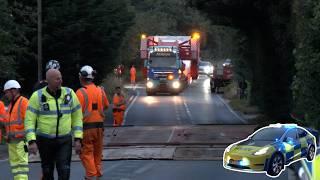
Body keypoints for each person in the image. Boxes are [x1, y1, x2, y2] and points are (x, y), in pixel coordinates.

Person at [25, 69, 83, 180]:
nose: (61, 80)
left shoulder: (69, 94)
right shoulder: (37, 96)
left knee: (64, 170)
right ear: (49, 81)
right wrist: (31, 141)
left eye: (61, 77)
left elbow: (77, 117)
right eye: (57, 79)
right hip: (45, 140)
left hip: (64, 140)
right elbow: (29, 120)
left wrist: (78, 138)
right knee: (47, 171)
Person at [76, 65, 109, 180]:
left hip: (86, 129)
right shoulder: (100, 90)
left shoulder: (80, 93)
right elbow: (106, 105)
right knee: (97, 153)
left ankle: (90, 175)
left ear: (82, 77)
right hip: (99, 128)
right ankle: (97, 174)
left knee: (87, 153)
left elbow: (75, 113)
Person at [0, 80, 29, 180]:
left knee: (21, 165)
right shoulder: (11, 105)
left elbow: (30, 121)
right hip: (11, 141)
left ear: (14, 90)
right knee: (15, 166)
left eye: (7, 92)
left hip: (21, 140)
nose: (6, 94)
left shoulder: (23, 102)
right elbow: (8, 121)